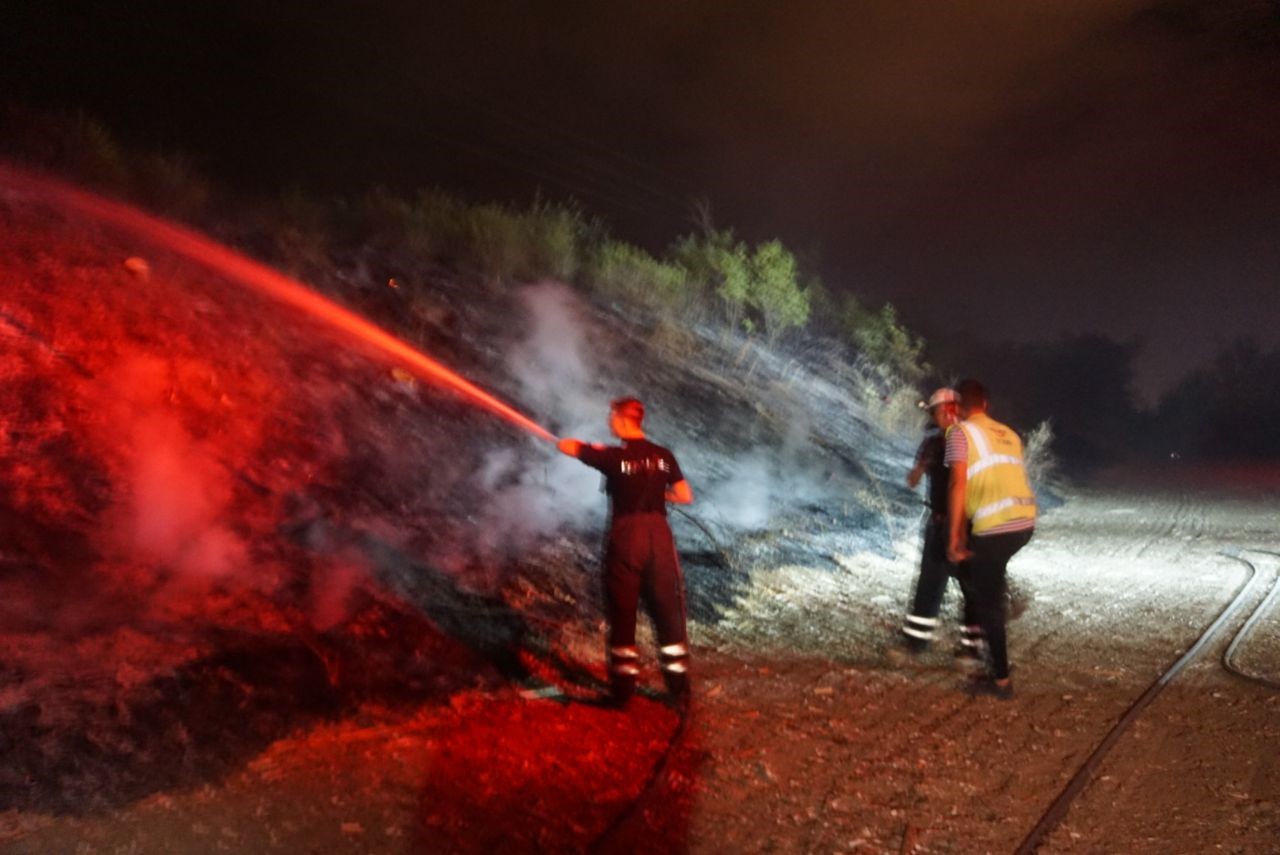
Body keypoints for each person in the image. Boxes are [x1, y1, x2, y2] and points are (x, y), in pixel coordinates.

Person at [557, 397, 695, 710]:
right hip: (659, 537)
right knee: (668, 613)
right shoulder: (663, 456)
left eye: (611, 417)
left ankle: (622, 695)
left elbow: (566, 446)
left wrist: (579, 444)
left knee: (623, 613)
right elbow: (685, 496)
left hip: (626, 536)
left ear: (621, 420)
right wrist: (660, 495)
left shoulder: (614, 457)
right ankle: (680, 694)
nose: (609, 422)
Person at [946, 379, 1036, 699]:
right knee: (982, 572)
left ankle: (1000, 680)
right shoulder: (1010, 434)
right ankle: (1000, 590)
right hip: (1023, 522)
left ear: (958, 407)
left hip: (995, 525)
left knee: (988, 604)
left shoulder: (960, 434)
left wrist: (955, 536)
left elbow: (958, 485)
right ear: (986, 404)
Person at [893, 388, 984, 663]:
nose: (938, 415)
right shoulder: (947, 441)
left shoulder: (959, 439)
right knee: (942, 584)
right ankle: (924, 645)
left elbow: (954, 481)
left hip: (959, 522)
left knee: (957, 585)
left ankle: (965, 647)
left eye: (939, 410)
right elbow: (915, 478)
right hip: (952, 522)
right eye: (936, 412)